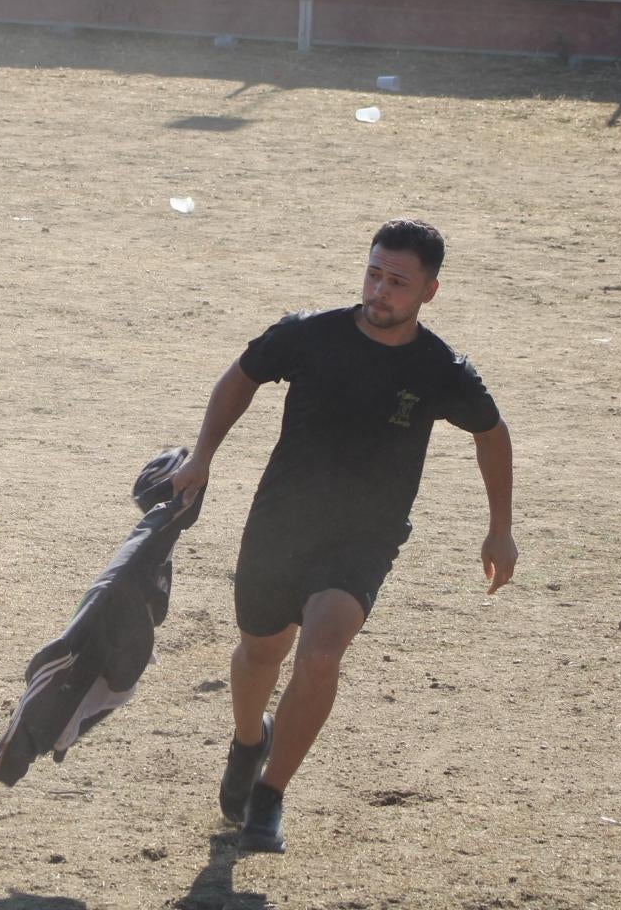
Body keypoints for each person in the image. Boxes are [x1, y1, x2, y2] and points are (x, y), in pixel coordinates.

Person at [168, 219, 515, 855]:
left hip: (363, 537)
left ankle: (269, 797)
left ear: (428, 292)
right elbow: (241, 376)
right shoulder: (309, 335)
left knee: (321, 652)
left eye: (398, 282)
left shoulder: (439, 369)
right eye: (374, 274)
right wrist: (203, 455)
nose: (381, 290)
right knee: (260, 654)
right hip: (281, 523)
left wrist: (500, 529)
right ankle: (249, 740)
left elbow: (491, 432)